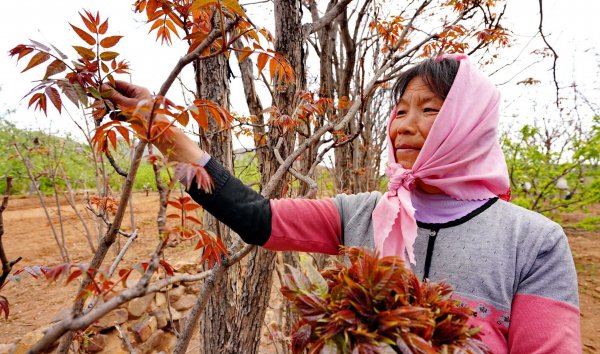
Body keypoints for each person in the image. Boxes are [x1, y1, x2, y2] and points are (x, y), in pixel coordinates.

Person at [106, 54, 581, 353]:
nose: (404, 126)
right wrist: (158, 126)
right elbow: (256, 217)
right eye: (400, 110)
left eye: (430, 109)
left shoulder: (533, 240)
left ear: (469, 123)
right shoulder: (364, 212)